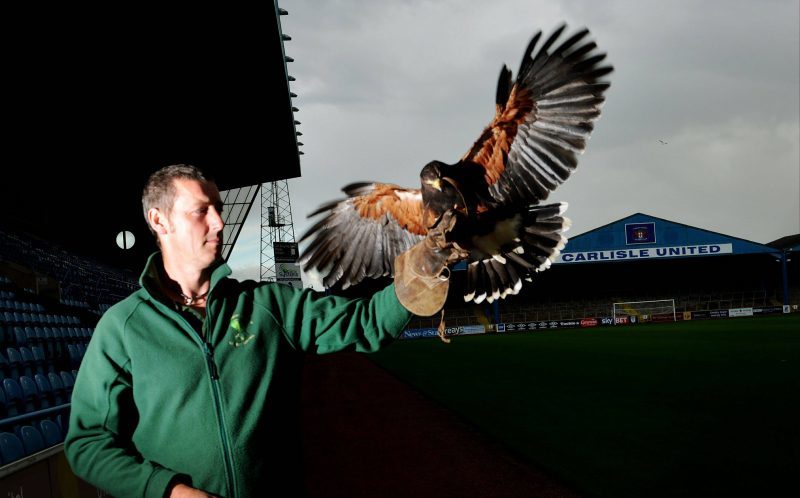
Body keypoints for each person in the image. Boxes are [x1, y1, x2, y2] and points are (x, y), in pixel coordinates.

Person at [64, 164, 457, 498]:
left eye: (218, 209)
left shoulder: (268, 306)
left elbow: (365, 323)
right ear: (159, 220)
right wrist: (168, 491)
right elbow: (88, 444)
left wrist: (421, 272)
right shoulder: (123, 328)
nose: (219, 222)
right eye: (201, 211)